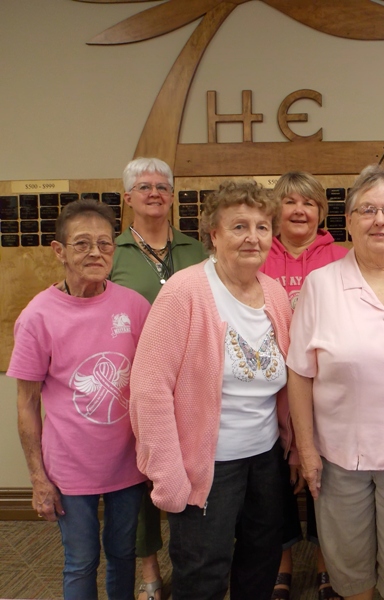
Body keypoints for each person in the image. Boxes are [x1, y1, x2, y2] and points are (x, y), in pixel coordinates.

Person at [288, 165, 384, 600]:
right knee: (349, 568)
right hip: (340, 456)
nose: (380, 220)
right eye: (368, 210)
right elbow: (299, 372)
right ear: (349, 220)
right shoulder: (320, 286)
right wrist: (307, 450)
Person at [129, 180, 293, 600]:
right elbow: (149, 390)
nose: (252, 237)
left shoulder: (275, 294)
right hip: (206, 466)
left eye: (262, 227)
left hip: (265, 460)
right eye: (239, 226)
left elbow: (287, 382)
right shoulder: (183, 293)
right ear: (214, 235)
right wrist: (166, 474)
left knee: (261, 562)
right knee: (203, 574)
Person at [8, 199, 151, 600]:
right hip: (70, 468)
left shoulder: (134, 306)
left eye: (105, 244)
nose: (95, 253)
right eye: (82, 243)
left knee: (123, 554)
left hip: (127, 462)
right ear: (59, 250)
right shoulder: (38, 317)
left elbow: (154, 383)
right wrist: (38, 479)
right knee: (81, 561)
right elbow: (26, 404)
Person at [109, 156, 207, 600]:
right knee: (140, 473)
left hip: (192, 384)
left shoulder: (195, 249)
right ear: (127, 197)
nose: (154, 193)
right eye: (144, 187)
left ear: (172, 196)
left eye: (162, 187)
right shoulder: (113, 252)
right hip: (134, 384)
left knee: (193, 469)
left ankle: (200, 559)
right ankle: (149, 568)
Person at [259, 172, 347, 600]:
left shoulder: (342, 258)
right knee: (274, 484)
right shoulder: (258, 256)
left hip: (326, 390)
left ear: (321, 212)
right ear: (276, 209)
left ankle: (329, 565)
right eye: (290, 201)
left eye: (308, 203)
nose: (299, 210)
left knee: (325, 482)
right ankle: (283, 566)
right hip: (268, 390)